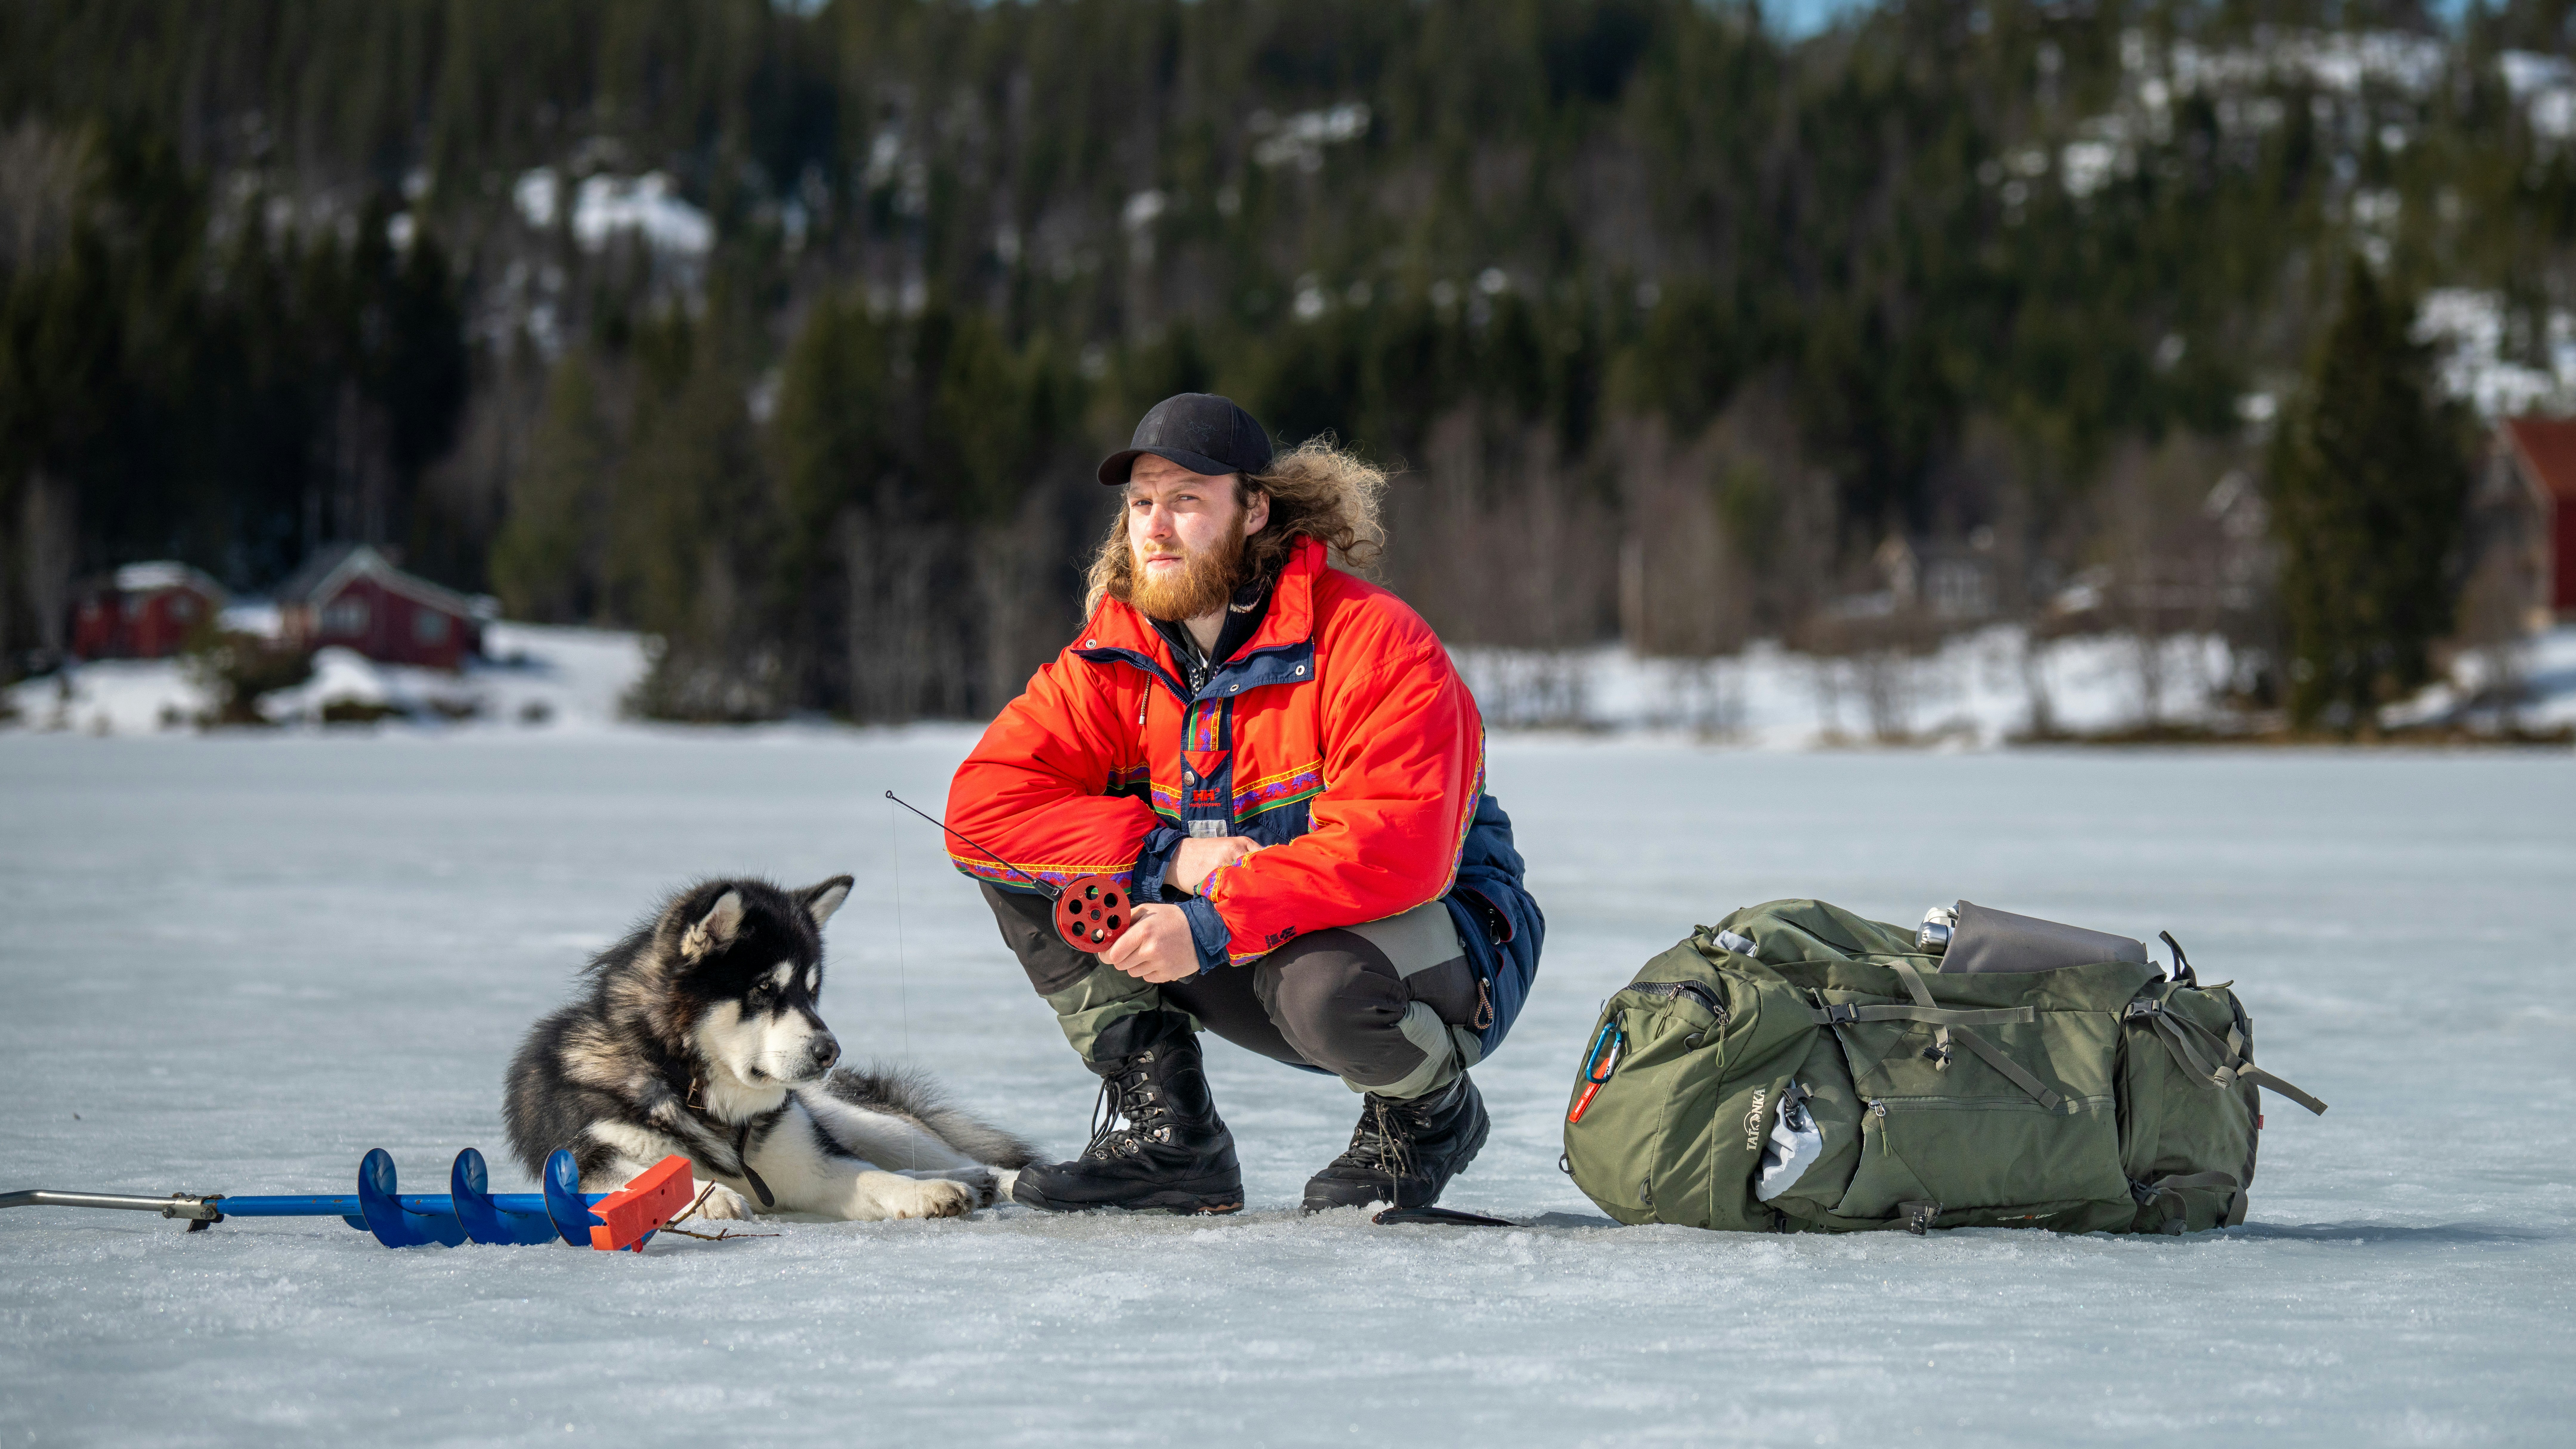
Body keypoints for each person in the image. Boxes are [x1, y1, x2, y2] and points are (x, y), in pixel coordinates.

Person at [943, 392, 1543, 1215]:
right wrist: (1166, 858)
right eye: (1143, 501)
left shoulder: (1373, 642)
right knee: (1031, 865)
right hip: (1249, 936)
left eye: (1187, 500)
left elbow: (1399, 848)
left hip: (1445, 947)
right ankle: (1171, 1135)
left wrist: (1211, 924)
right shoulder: (1118, 654)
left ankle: (1429, 1112)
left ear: (1255, 510)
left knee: (1322, 986)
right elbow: (983, 805)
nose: (1154, 526)